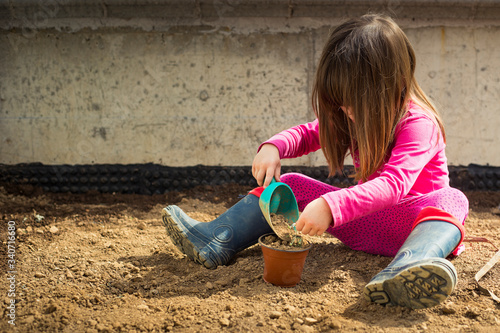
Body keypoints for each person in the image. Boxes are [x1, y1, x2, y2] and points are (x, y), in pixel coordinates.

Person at [162, 14, 469, 310]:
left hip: (419, 229)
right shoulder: (351, 115)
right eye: (339, 101)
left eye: (353, 101)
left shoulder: (419, 124)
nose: (346, 110)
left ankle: (410, 267)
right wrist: (273, 146)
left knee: (453, 198)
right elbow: (309, 133)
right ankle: (216, 238)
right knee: (292, 184)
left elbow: (393, 185)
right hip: (367, 225)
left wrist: (331, 206)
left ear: (393, 85)